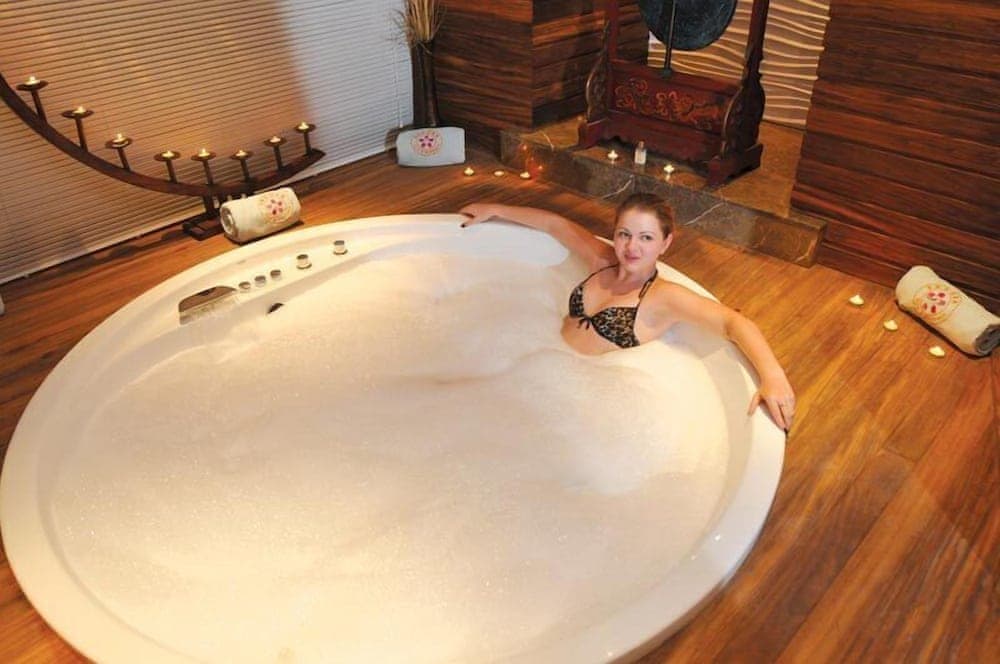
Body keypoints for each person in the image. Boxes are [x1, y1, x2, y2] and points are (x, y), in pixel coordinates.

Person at [459, 193, 796, 432]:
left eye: (646, 238)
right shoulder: (602, 260)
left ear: (665, 243)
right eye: (624, 234)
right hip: (534, 361)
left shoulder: (664, 297)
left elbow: (733, 322)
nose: (632, 247)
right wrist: (495, 209)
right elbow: (554, 224)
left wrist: (774, 378)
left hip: (575, 398)